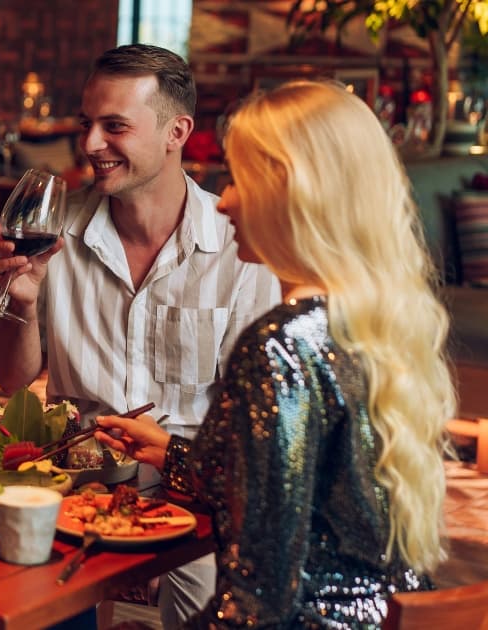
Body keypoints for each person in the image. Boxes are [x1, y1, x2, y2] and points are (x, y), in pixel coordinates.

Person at [94, 80, 455, 627]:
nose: (227, 200)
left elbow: (259, 600)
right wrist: (173, 454)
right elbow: (298, 495)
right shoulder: (370, 320)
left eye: (239, 179)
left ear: (289, 190)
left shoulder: (282, 346)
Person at [0, 44, 280, 625]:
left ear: (177, 131)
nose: (91, 144)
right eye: (87, 124)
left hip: (191, 509)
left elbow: (254, 429)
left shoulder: (241, 247)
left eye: (114, 126)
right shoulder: (50, 228)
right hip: (74, 491)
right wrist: (22, 300)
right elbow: (12, 377)